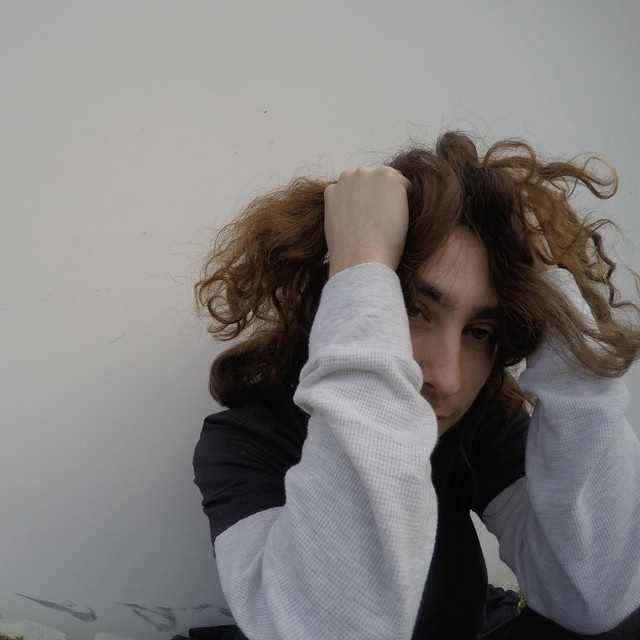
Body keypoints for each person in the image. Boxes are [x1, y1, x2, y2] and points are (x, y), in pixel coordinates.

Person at [192, 132, 640, 639]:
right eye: (411, 309)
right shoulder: (246, 441)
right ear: (341, 300)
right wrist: (362, 262)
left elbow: (595, 595)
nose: (446, 378)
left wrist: (556, 299)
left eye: (480, 332)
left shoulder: (481, 424)